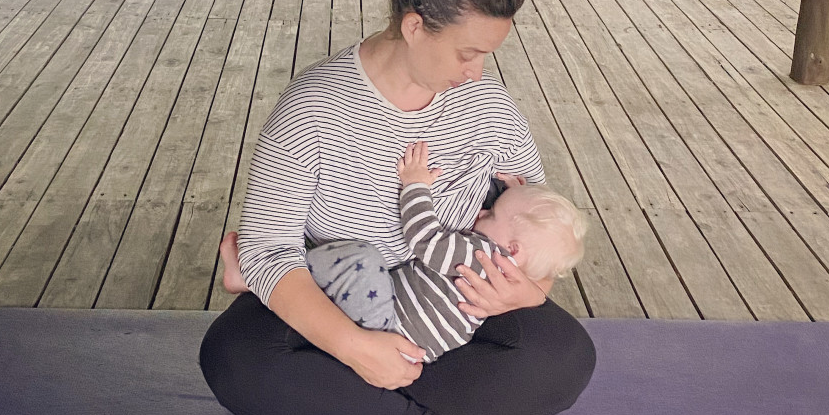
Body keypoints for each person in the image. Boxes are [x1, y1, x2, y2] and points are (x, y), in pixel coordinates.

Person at [199, 0, 596, 415]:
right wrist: (356, 346)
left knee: (564, 361)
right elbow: (267, 253)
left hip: (447, 316)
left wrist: (529, 293)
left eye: (489, 54)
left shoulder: (490, 109)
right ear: (414, 26)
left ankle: (337, 414)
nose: (479, 70)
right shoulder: (312, 108)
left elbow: (537, 223)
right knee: (234, 361)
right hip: (337, 303)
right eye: (467, 53)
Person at [219, 140, 588, 364]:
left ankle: (254, 278)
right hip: (422, 351)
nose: (481, 211)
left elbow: (423, 238)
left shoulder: (478, 253)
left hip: (390, 323)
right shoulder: (509, 269)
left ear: (512, 249)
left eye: (493, 212)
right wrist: (510, 190)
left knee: (362, 260)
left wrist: (414, 185)